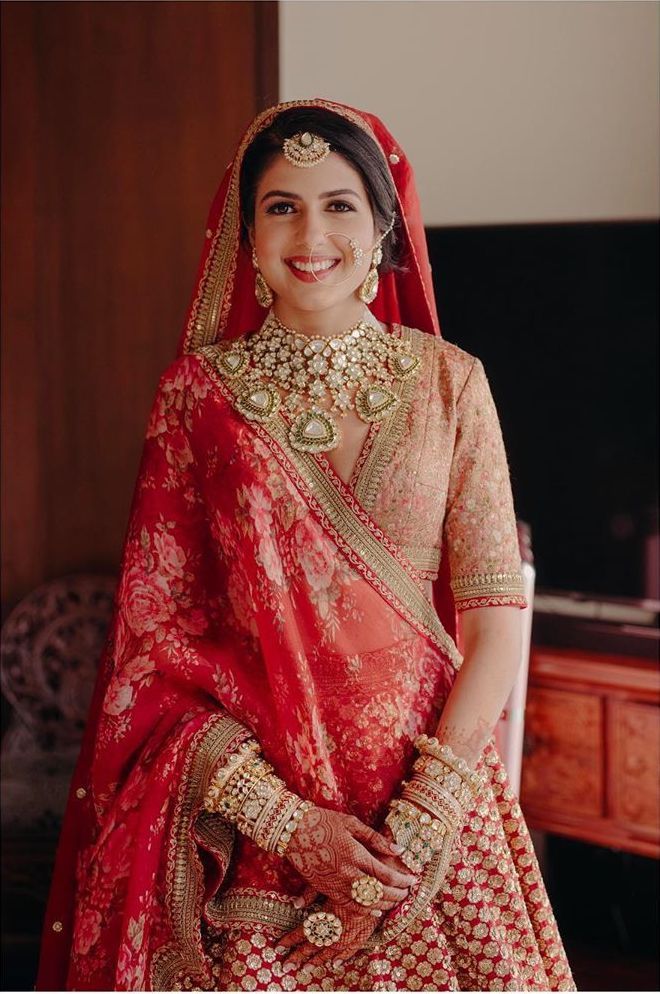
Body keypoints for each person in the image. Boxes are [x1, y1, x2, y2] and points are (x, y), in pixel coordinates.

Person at [37, 99, 576, 992]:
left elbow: (493, 618)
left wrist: (421, 819)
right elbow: (152, 647)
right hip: (259, 821)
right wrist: (287, 823)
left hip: (433, 812)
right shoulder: (197, 398)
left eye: (339, 204)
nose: (311, 231)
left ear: (382, 232)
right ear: (245, 237)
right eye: (282, 205)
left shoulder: (451, 382)